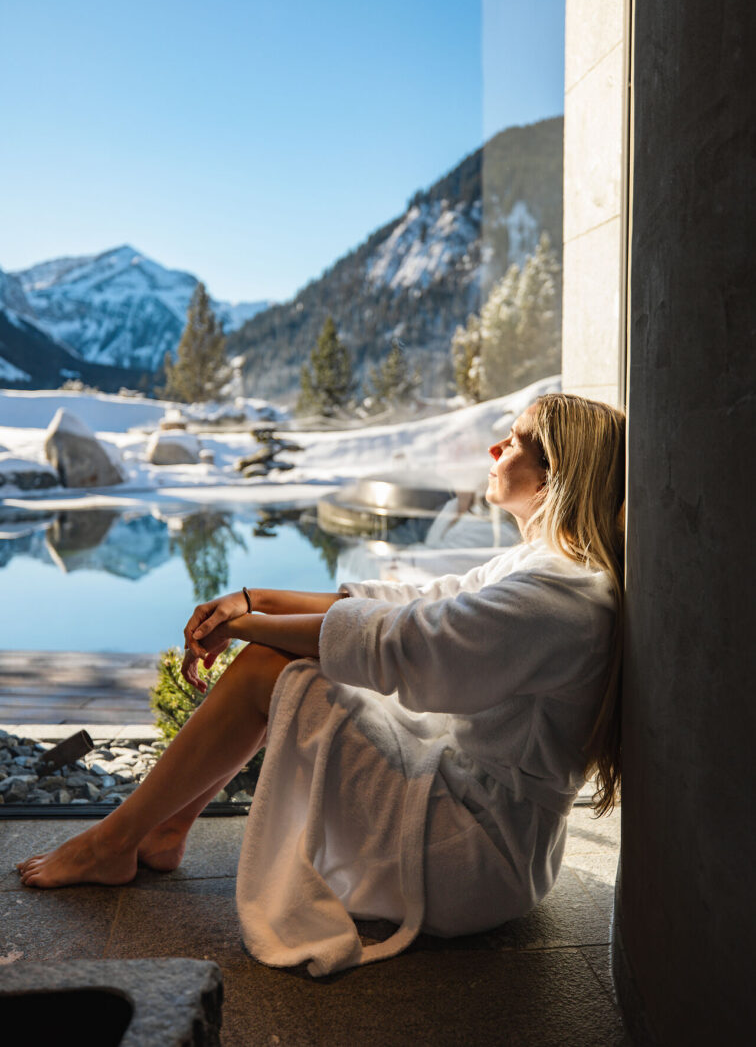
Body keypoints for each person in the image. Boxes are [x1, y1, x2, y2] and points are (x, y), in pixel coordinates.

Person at [17, 392, 625, 977]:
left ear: (555, 476)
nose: (495, 449)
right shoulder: (545, 568)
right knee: (292, 662)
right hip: (478, 823)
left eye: (514, 440)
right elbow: (413, 601)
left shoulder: (557, 597)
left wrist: (248, 624)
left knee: (269, 667)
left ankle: (114, 840)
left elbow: (406, 642)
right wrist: (252, 599)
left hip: (475, 856)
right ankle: (168, 828)